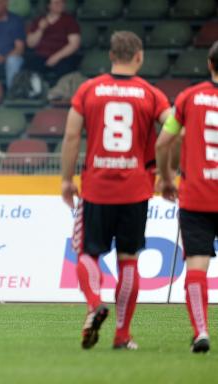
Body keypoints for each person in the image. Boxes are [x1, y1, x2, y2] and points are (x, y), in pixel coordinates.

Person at [60, 31, 171, 350]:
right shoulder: (151, 94)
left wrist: (67, 180)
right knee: (128, 261)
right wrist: (164, 170)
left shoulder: (89, 90)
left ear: (111, 56)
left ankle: (95, 304)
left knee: (86, 253)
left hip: (97, 188)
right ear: (139, 57)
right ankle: (122, 335)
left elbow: (70, 136)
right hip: (136, 189)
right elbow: (173, 128)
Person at [155, 41, 218, 354]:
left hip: (197, 196)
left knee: (196, 266)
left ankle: (201, 331)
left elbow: (165, 141)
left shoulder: (189, 98)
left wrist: (167, 177)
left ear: (210, 64)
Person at [25, 0, 81, 81]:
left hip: (62, 57)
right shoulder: (39, 21)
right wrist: (40, 29)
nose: (60, 5)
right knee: (29, 69)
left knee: (66, 69)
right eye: (56, 3)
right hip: (41, 56)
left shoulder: (70, 21)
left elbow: (74, 44)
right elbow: (30, 44)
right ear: (49, 5)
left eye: (62, 2)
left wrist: (56, 57)